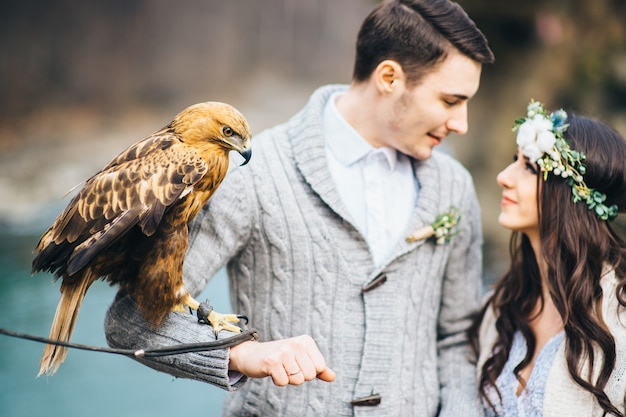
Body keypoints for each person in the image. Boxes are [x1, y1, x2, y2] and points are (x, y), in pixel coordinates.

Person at [105, 0, 494, 415]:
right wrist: (239, 353)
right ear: (388, 77)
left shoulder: (453, 186)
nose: (462, 124)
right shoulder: (252, 176)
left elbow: (457, 340)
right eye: (451, 101)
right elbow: (131, 321)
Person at [469, 100, 626, 416]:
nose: (503, 176)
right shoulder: (502, 306)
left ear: (572, 193)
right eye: (515, 160)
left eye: (529, 167)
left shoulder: (620, 315)